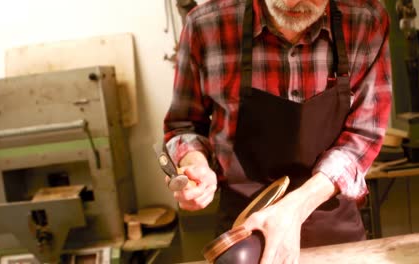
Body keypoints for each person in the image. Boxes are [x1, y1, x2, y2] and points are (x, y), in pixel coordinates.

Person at [163, 0, 391, 262]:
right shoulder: (205, 25)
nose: (297, 1)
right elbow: (185, 125)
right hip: (243, 232)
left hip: (333, 225)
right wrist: (195, 164)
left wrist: (292, 210)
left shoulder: (366, 20)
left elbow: (364, 134)